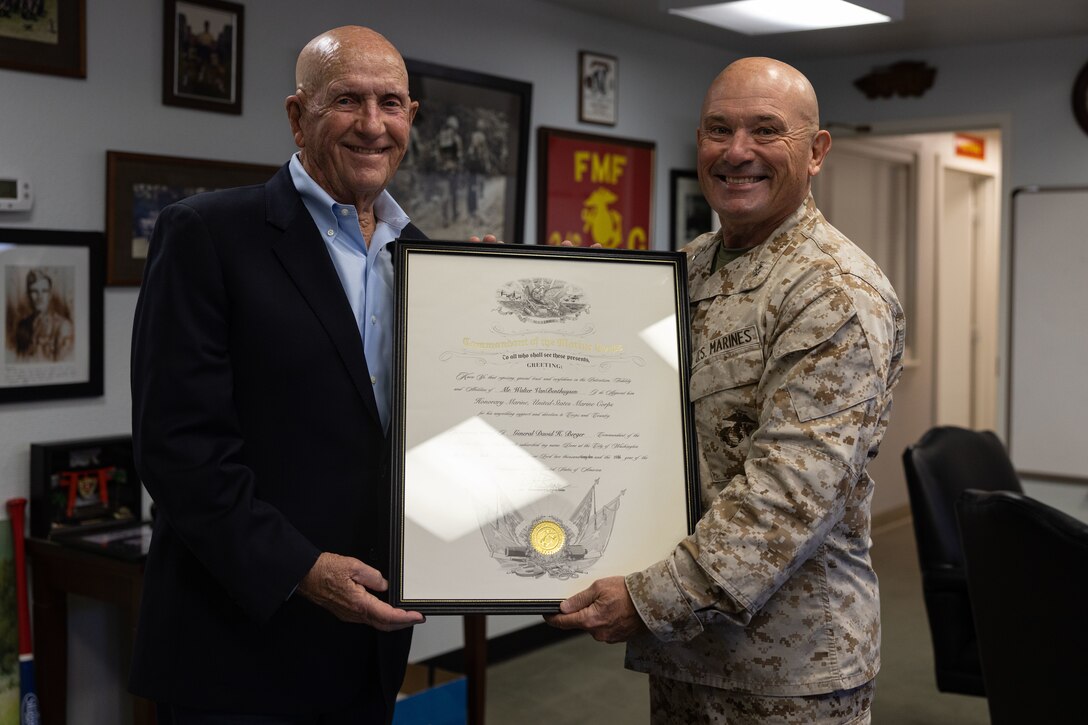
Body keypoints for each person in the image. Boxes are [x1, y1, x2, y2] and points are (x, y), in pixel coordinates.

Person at [546, 57, 906, 724]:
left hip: (789, 670)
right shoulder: (687, 270)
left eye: (766, 130)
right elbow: (618, 409)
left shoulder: (831, 291)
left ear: (817, 150)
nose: (737, 152)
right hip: (687, 651)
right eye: (719, 129)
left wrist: (650, 596)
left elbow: (788, 495)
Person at [129, 26, 428, 723]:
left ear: (411, 118)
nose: (372, 124)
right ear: (298, 116)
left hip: (367, 640)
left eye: (391, 102)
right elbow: (178, 449)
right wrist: (300, 569)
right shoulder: (206, 234)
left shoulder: (428, 260)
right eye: (348, 100)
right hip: (236, 643)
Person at [13, 268, 74, 362]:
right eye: (34, 291)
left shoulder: (63, 326)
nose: (40, 297)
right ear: (28, 295)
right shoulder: (22, 326)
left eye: (44, 291)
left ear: (49, 295)